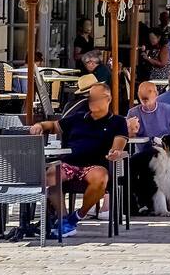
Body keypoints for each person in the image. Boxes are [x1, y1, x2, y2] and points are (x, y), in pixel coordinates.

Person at [30, 84, 129, 239]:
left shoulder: (117, 121)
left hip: (95, 165)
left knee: (100, 178)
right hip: (70, 162)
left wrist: (115, 152)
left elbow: (119, 144)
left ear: (108, 99)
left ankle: (77, 216)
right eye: (91, 98)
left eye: (96, 98)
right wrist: (40, 125)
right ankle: (63, 219)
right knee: (50, 176)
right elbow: (54, 125)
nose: (92, 101)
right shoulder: (78, 117)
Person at [126, 81, 170, 216]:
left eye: (148, 94)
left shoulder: (167, 110)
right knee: (129, 166)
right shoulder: (133, 112)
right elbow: (128, 136)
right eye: (141, 96)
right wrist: (131, 129)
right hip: (145, 152)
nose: (145, 99)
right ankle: (134, 204)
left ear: (156, 94)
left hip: (166, 151)